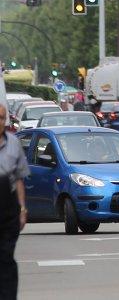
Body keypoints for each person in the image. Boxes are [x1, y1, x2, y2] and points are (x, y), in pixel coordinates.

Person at [0, 104, 30, 299]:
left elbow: (19, 178)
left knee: (5, 256)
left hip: (7, 206)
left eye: (2, 118)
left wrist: (22, 209)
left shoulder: (13, 143)